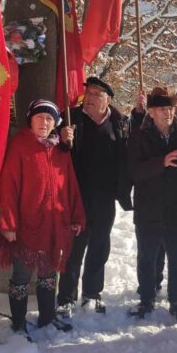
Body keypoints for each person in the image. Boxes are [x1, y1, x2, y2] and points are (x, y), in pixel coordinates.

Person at [0, 100, 85, 338]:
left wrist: (76, 215)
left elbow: (70, 185)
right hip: (25, 226)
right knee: (22, 276)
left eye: (49, 119)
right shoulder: (20, 146)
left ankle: (47, 317)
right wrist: (8, 223)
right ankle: (18, 323)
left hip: (54, 225)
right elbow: (8, 186)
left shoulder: (60, 149)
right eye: (39, 117)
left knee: (48, 274)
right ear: (31, 119)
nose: (44, 122)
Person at [57, 76, 133, 315]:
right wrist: (61, 140)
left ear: (107, 100)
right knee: (74, 246)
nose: (88, 99)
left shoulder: (120, 122)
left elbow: (129, 151)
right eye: (87, 94)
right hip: (76, 195)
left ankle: (92, 292)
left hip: (105, 196)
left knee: (100, 244)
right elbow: (52, 148)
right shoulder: (70, 118)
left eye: (95, 95)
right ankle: (66, 296)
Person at [127, 87, 177, 322]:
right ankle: (146, 299)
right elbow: (134, 171)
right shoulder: (139, 135)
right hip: (149, 208)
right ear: (151, 112)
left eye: (171, 108)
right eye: (162, 109)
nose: (168, 113)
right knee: (147, 258)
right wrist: (161, 162)